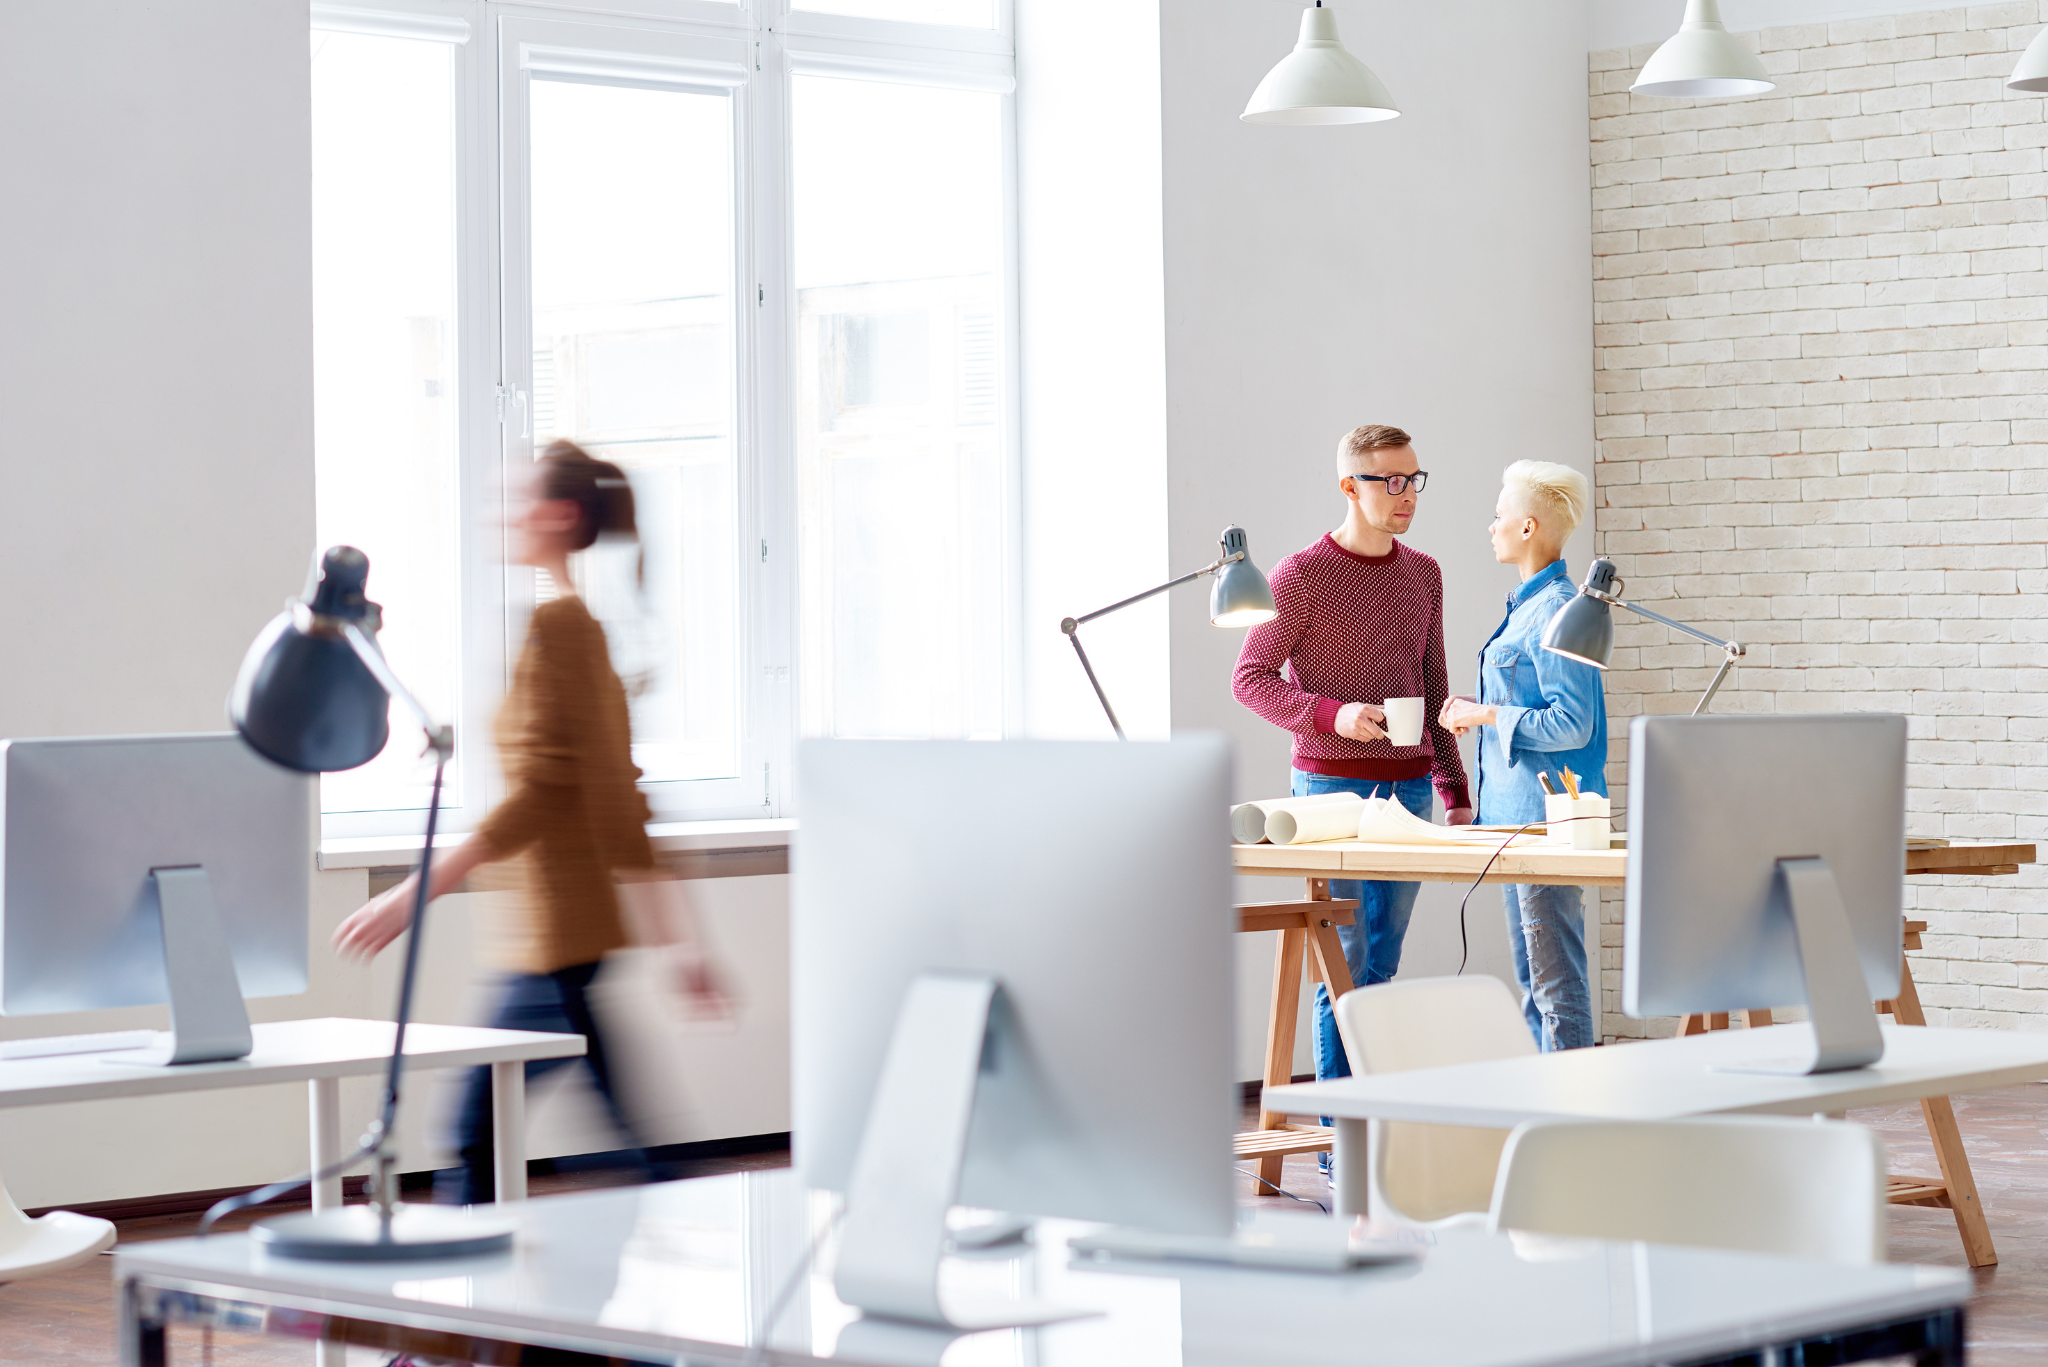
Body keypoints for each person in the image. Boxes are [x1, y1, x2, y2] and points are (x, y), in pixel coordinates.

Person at [333, 439, 729, 1204]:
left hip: (554, 940)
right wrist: (685, 941)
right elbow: (618, 798)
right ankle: (621, 1282)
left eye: (514, 499)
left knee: (473, 1133)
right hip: (565, 938)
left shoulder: (558, 631)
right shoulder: (580, 631)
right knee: (620, 1133)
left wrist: (416, 889)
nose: (498, 513)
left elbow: (552, 798)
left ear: (560, 514)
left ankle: (500, 1312)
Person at [1232, 423, 1473, 1151]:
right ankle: (1347, 1142)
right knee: (1345, 964)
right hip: (1330, 789)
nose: (1405, 496)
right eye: (1388, 481)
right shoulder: (1300, 576)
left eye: (1414, 480)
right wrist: (1336, 714)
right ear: (1349, 486)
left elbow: (1434, 684)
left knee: (1380, 963)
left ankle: (1361, 1127)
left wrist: (1454, 787)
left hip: (1409, 792)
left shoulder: (1423, 572)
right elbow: (1250, 679)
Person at [1440, 460, 1605, 1053]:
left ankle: (1573, 1126)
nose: (1491, 525)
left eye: (1499, 514)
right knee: (1535, 983)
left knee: (1555, 983)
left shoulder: (1561, 611)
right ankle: (1548, 1115)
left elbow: (1572, 723)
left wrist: (1486, 715)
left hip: (1545, 824)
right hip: (1512, 822)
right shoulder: (1526, 607)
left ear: (1529, 527)